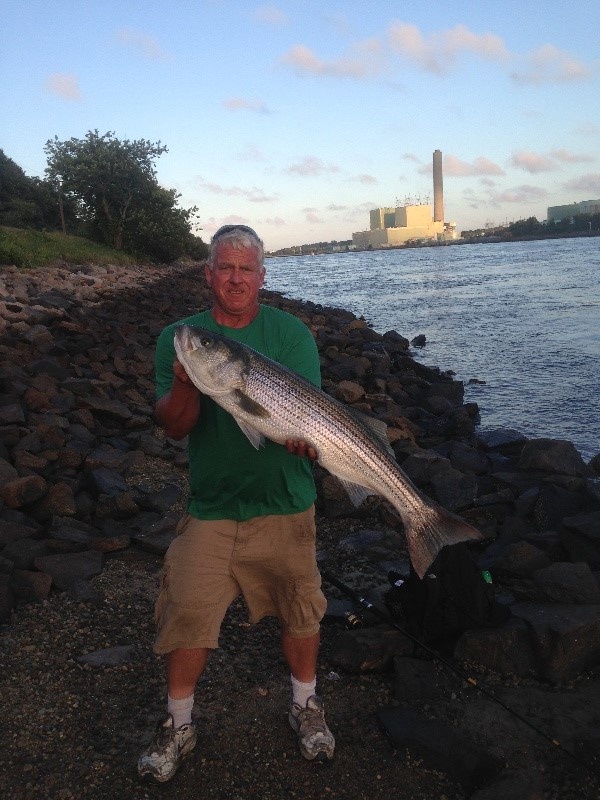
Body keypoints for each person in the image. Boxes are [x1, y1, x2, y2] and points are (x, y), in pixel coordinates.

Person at [138, 224, 335, 783]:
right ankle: (178, 723)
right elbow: (175, 429)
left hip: (286, 500)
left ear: (262, 278)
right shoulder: (179, 339)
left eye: (246, 269)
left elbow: (309, 419)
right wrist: (185, 382)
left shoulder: (291, 334)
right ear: (208, 273)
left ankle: (305, 705)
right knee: (188, 611)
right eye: (225, 267)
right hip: (213, 505)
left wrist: (306, 439)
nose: (235, 278)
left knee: (301, 608)